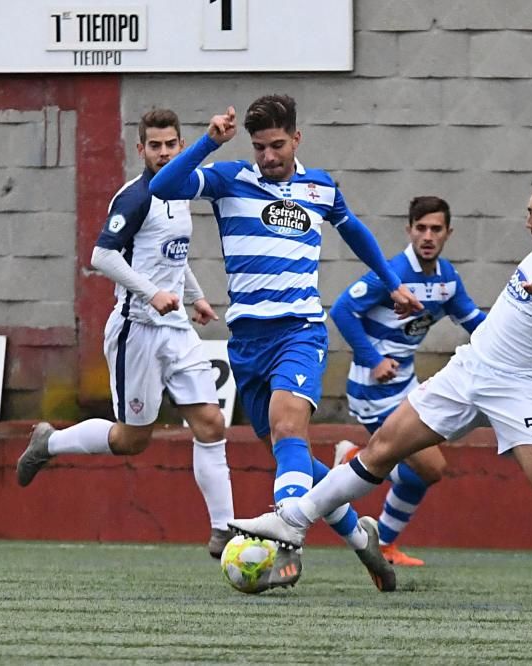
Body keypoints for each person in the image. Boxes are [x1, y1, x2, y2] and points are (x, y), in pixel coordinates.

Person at [230, 176, 532, 604]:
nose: (527, 222)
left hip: (517, 389)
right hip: (468, 369)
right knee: (383, 449)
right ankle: (293, 520)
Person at [148, 95, 422, 591]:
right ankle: (362, 539)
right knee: (288, 452)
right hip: (248, 340)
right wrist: (210, 142)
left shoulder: (320, 187)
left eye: (277, 145)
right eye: (260, 147)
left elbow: (353, 230)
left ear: (297, 138)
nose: (268, 156)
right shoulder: (231, 177)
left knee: (289, 426)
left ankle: (285, 546)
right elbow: (163, 185)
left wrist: (392, 281)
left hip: (300, 329)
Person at [16, 109, 236, 558]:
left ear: (180, 145)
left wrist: (194, 296)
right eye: (154, 145)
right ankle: (49, 442)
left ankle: (223, 530)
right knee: (132, 438)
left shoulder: (181, 192)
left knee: (211, 423)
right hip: (136, 331)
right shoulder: (134, 197)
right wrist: (152, 292)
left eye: (170, 144)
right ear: (141, 149)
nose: (163, 152)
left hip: (176, 330)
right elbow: (103, 256)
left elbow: (173, 255)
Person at [330, 195, 486, 566]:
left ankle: (383, 544)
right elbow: (341, 310)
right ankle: (357, 459)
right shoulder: (392, 272)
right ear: (409, 230)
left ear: (449, 233)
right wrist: (372, 359)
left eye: (436, 229)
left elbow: (476, 324)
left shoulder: (447, 278)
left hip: (407, 387)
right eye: (421, 228)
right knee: (431, 467)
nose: (428, 236)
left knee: (422, 475)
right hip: (373, 389)